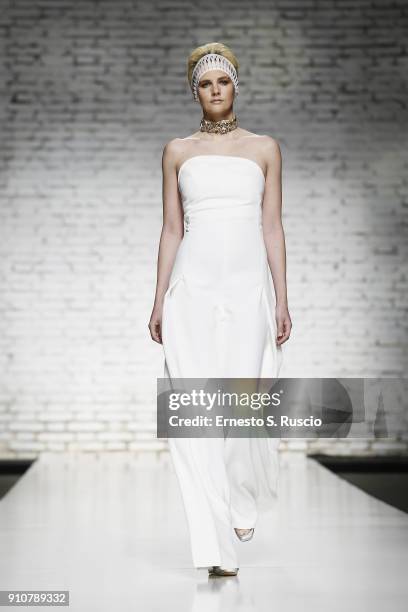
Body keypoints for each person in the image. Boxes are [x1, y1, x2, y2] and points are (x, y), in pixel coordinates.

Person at [149, 42, 292, 576]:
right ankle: (214, 550)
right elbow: (170, 229)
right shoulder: (177, 151)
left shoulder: (265, 149)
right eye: (205, 83)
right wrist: (159, 298)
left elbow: (272, 226)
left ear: (235, 87)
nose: (215, 90)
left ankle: (242, 498)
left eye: (223, 82)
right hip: (193, 289)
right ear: (196, 91)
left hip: (247, 287)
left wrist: (282, 297)